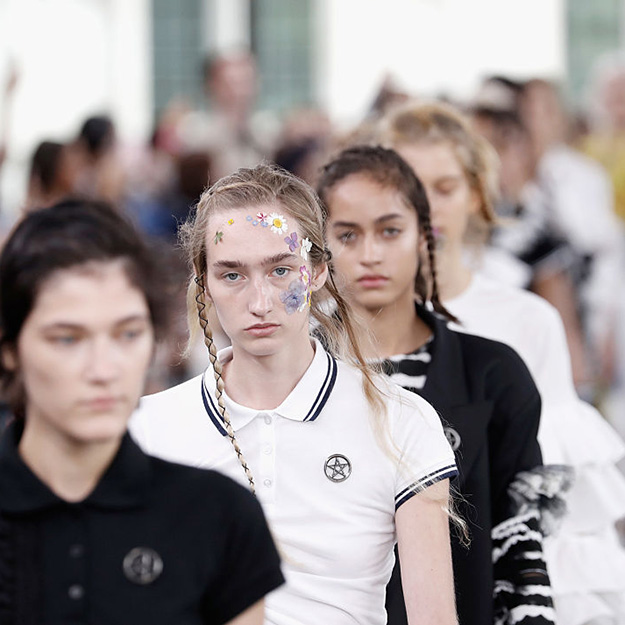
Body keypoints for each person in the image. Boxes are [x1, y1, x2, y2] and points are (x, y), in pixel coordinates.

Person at [130, 162, 459, 625]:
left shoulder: (399, 420)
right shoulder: (147, 429)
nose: (259, 302)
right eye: (232, 275)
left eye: (281, 270)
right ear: (203, 280)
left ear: (318, 270)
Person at [375, 99, 625, 625]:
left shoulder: (527, 321)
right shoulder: (335, 326)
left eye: (445, 187)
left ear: (475, 195)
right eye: (409, 188)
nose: (427, 207)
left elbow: (551, 501)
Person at [0, 199, 284, 624]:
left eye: (127, 334)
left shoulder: (218, 516)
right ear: (10, 349)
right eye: (67, 339)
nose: (103, 369)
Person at [317, 144, 559, 625]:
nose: (370, 254)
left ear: (423, 236)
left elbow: (519, 552)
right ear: (318, 247)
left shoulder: (494, 373)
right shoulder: (291, 374)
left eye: (390, 230)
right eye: (347, 235)